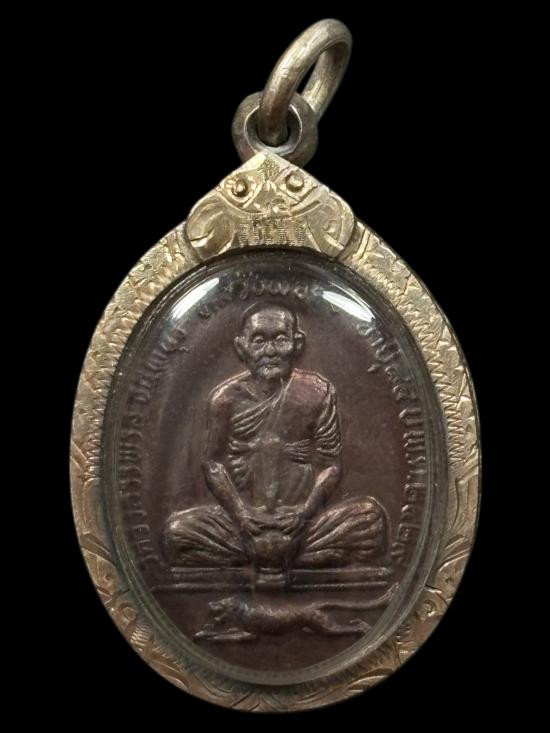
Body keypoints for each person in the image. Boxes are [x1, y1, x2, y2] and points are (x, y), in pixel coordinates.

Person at [164, 303, 388, 582]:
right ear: (242, 347)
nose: (270, 351)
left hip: (304, 524)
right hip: (242, 525)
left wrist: (303, 515)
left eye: (280, 339)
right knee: (177, 532)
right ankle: (286, 555)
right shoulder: (225, 400)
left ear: (297, 344)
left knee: (370, 521)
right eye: (259, 341)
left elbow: (331, 465)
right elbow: (212, 463)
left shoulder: (317, 392)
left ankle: (272, 554)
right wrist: (242, 516)